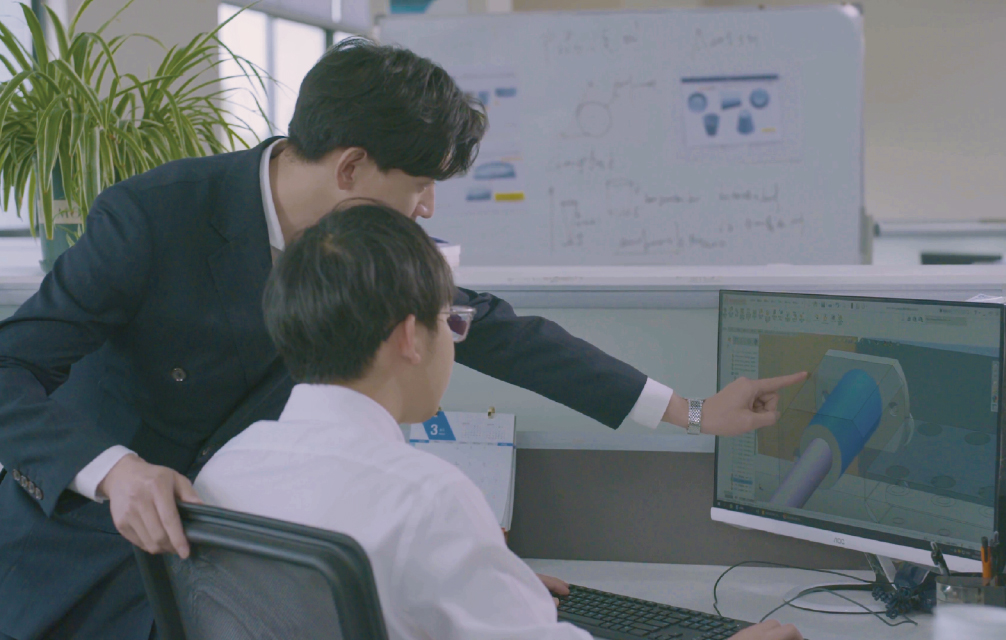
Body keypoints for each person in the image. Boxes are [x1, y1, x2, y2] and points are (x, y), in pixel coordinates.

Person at [0, 38, 805, 639]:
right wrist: (114, 471)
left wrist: (691, 413)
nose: (427, 209)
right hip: (89, 557)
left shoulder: (368, 259)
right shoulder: (156, 218)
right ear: (351, 168)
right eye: (418, 185)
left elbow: (494, 330)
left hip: (233, 577)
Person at [194, 202, 802, 640]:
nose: (455, 341)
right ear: (409, 338)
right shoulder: (427, 499)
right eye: (451, 322)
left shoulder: (227, 468)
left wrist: (487, 582)